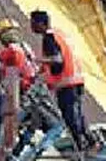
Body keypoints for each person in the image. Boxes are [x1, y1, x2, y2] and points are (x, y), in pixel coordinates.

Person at [29, 10, 90, 151]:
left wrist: (36, 59)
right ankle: (90, 141)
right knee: (78, 115)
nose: (31, 27)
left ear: (41, 24)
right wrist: (39, 72)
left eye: (33, 23)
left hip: (67, 84)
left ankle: (79, 147)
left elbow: (57, 59)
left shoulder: (48, 38)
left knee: (70, 117)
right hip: (77, 80)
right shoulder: (58, 34)